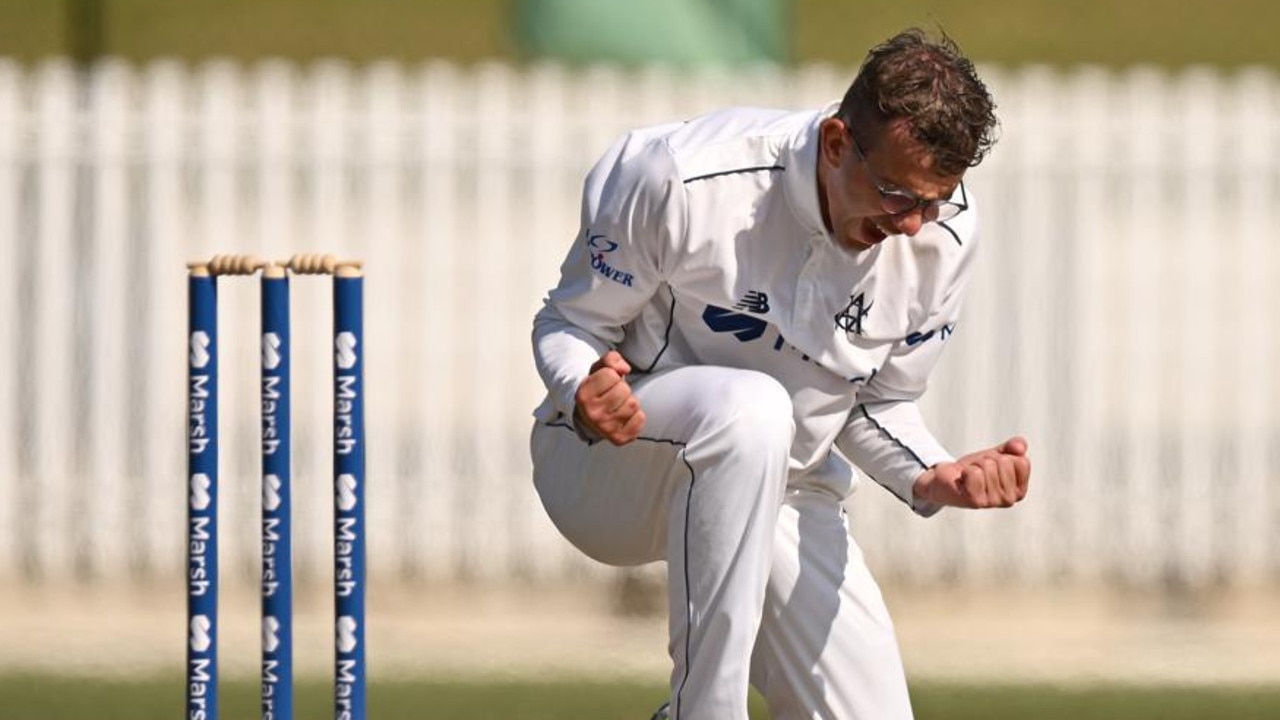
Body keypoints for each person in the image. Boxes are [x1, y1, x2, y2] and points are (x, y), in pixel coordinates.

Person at [529, 28, 1032, 720]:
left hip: (785, 491)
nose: (913, 225)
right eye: (895, 194)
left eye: (933, 200)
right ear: (834, 144)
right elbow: (568, 325)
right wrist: (585, 390)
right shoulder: (680, 177)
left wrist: (932, 474)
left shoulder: (941, 238)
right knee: (753, 412)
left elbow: (875, 402)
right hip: (608, 463)